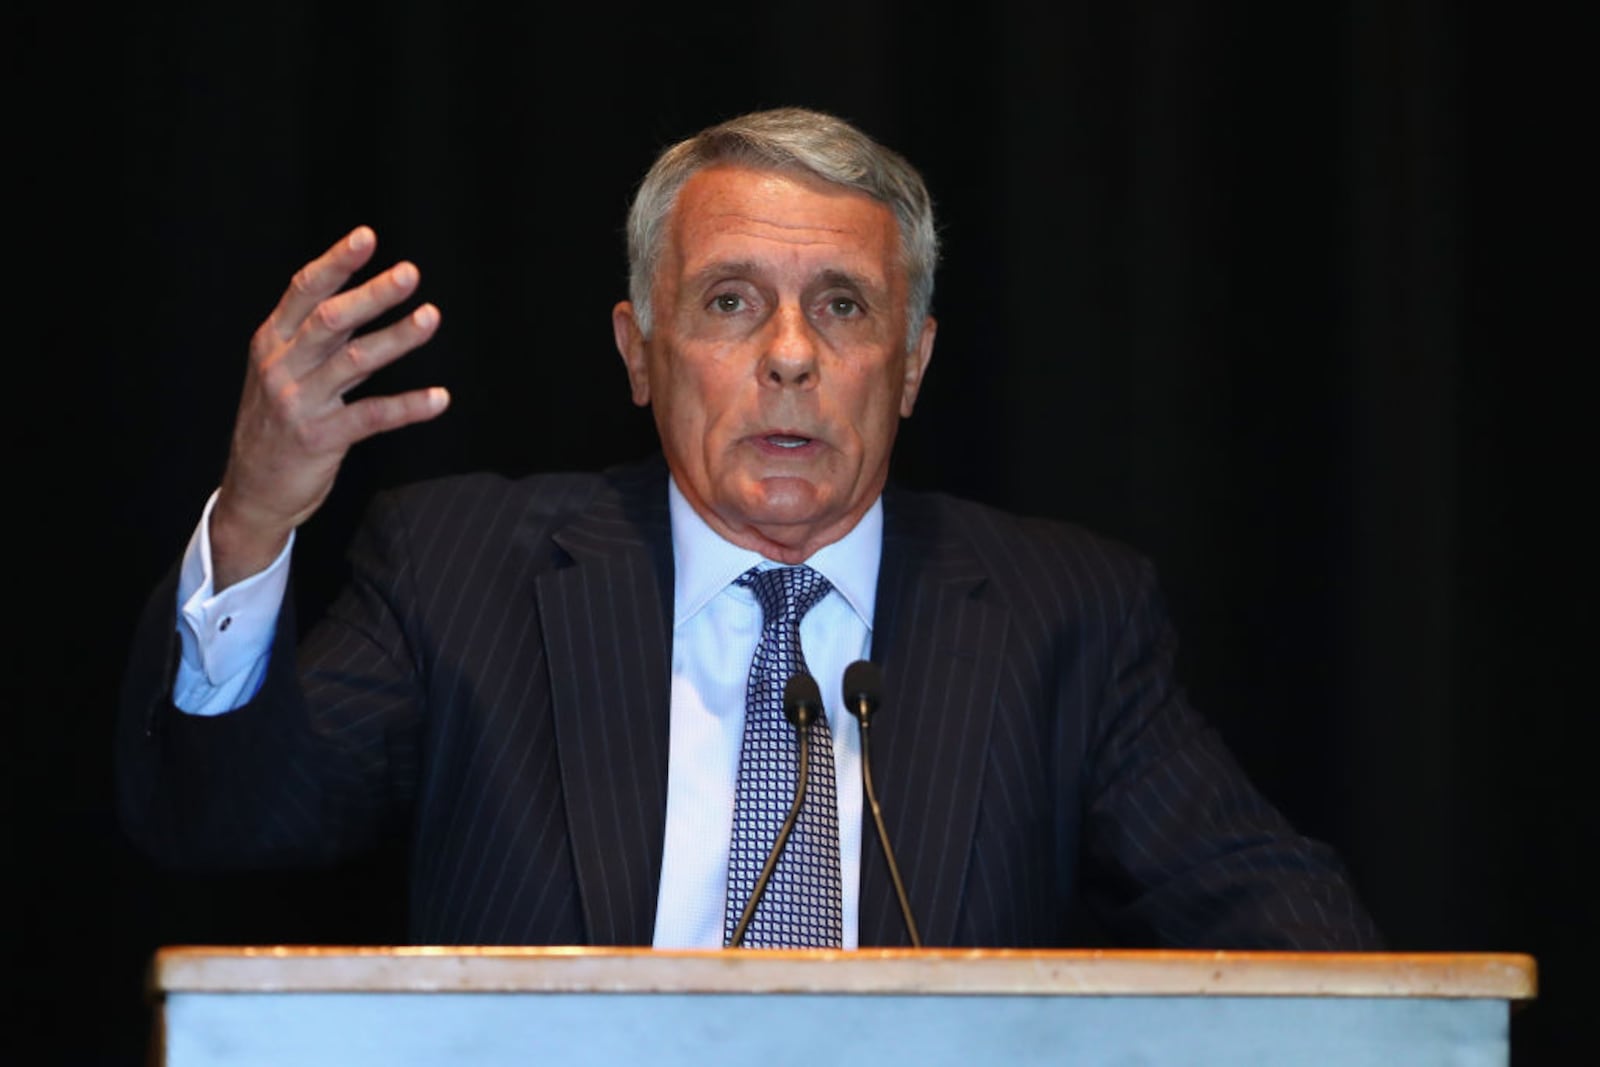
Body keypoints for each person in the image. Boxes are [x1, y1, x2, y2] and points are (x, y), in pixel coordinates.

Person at [117, 106, 1382, 951]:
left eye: (842, 305)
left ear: (913, 363)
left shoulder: (1064, 612)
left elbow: (1280, 923)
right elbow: (222, 816)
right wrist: (259, 511)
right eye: (731, 301)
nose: (789, 357)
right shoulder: (464, 570)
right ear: (638, 348)